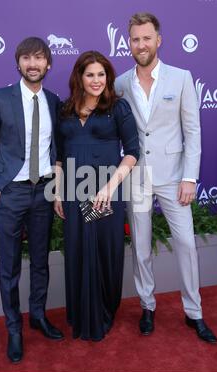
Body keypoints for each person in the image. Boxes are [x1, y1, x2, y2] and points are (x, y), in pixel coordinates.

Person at [115, 13, 217, 343]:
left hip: (175, 177)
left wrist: (190, 177)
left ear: (158, 40)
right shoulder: (119, 84)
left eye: (147, 38)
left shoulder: (181, 77)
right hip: (137, 178)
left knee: (186, 244)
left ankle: (194, 312)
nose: (141, 44)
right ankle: (147, 306)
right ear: (128, 43)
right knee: (141, 247)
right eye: (135, 39)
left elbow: (192, 130)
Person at [0, 37, 64, 363]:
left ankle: (38, 316)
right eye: (26, 58)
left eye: (39, 58)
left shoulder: (55, 101)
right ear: (18, 64)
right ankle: (14, 328)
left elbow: (57, 147)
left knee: (41, 260)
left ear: (48, 64)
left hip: (43, 191)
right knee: (10, 266)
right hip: (11, 193)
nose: (33, 64)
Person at [54, 51, 139, 341]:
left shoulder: (117, 108)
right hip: (73, 192)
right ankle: (80, 314)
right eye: (90, 74)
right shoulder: (64, 110)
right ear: (79, 76)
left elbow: (132, 153)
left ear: (108, 77)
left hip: (105, 192)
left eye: (101, 74)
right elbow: (59, 155)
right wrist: (57, 192)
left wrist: (109, 187)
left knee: (104, 250)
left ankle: (103, 311)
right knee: (78, 249)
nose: (96, 80)